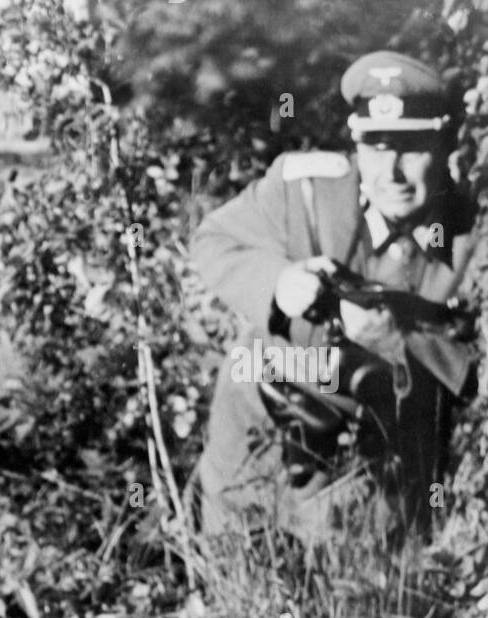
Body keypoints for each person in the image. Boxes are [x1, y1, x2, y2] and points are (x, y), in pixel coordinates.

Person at [191, 51, 484, 541]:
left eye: (411, 148)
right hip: (261, 420)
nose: (390, 171)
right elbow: (213, 241)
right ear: (357, 144)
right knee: (237, 568)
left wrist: (398, 343)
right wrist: (277, 281)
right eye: (376, 146)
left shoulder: (468, 238)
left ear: (443, 144)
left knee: (357, 583)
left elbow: (474, 373)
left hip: (371, 448)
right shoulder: (306, 190)